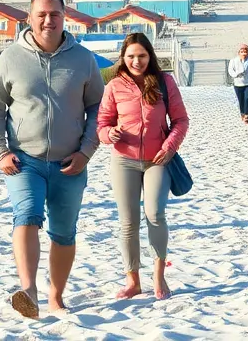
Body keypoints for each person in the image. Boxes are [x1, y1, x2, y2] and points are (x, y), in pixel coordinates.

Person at [0, 0, 105, 319]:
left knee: (64, 233)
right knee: (26, 215)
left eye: (54, 14)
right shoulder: (11, 58)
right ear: (30, 18)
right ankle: (30, 291)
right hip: (25, 161)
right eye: (42, 14)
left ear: (64, 17)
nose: (48, 20)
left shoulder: (83, 59)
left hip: (71, 163)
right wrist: (1, 152)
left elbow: (99, 107)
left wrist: (86, 152)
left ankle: (55, 295)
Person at [97, 33, 189, 301]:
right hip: (123, 160)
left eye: (142, 56)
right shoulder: (114, 86)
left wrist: (169, 147)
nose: (136, 61)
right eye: (131, 56)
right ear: (123, 59)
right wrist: (108, 134)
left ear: (150, 56)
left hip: (158, 159)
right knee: (128, 222)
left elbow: (181, 120)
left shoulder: (165, 82)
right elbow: (102, 123)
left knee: (155, 214)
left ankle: (159, 277)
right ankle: (133, 281)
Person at [227, 43, 248, 123]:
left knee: (247, 98)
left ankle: (246, 115)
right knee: (241, 100)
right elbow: (230, 71)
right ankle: (242, 113)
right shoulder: (234, 60)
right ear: (239, 52)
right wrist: (236, 74)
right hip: (238, 84)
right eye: (242, 51)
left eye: (245, 51)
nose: (243, 53)